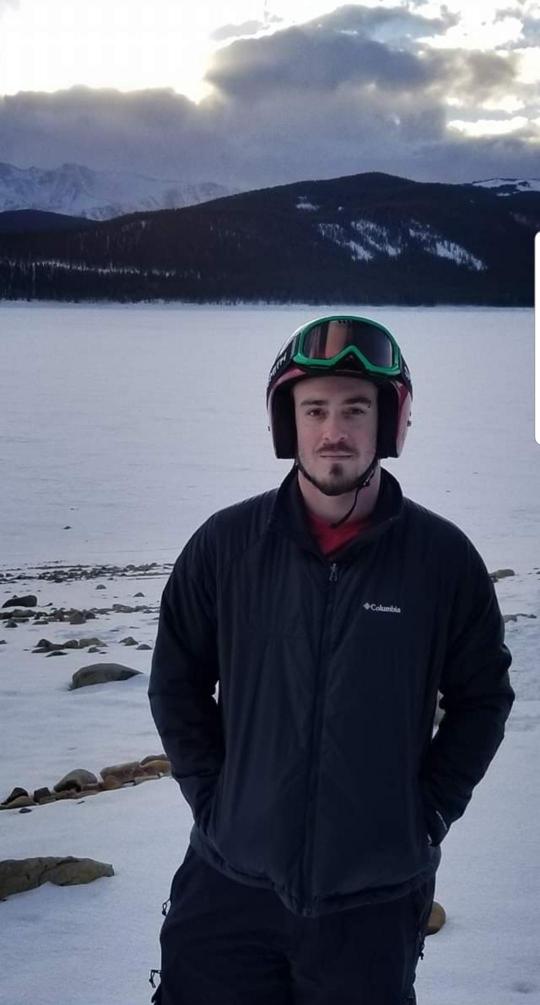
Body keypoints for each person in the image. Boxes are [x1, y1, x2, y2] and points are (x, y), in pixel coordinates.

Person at [148, 314, 514, 1004]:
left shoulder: (441, 561)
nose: (333, 431)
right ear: (288, 422)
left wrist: (425, 813)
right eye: (314, 409)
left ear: (389, 421)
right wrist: (216, 801)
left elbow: (484, 699)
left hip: (372, 901)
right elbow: (176, 683)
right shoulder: (227, 548)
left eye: (355, 409)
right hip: (229, 889)